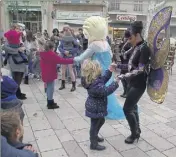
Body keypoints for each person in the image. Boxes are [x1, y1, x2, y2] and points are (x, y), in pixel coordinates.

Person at [74, 16, 125, 120]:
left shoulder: (93, 45)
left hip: (98, 71)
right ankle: (107, 108)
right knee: (106, 90)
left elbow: (82, 57)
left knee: (99, 90)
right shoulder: (106, 43)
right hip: (108, 70)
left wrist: (72, 59)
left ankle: (103, 109)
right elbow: (110, 55)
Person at [117, 21, 151, 144]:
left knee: (127, 109)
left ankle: (134, 133)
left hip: (139, 84)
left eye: (130, 37)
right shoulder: (136, 46)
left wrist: (123, 76)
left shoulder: (144, 48)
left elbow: (140, 69)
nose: (129, 40)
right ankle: (137, 130)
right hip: (132, 82)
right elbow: (129, 64)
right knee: (133, 107)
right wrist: (118, 65)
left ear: (137, 35)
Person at [81, 60, 120, 151]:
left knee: (101, 121)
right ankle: (93, 143)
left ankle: (95, 135)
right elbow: (105, 91)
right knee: (94, 125)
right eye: (99, 68)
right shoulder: (94, 84)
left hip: (96, 106)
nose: (100, 69)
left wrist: (110, 70)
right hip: (95, 107)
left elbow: (103, 79)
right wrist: (115, 83)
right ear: (94, 71)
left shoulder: (92, 79)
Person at [40, 41, 74, 109]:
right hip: (50, 73)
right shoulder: (51, 55)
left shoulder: (43, 54)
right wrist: (73, 60)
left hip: (45, 73)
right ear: (52, 48)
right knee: (50, 88)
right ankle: (50, 103)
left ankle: (50, 100)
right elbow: (62, 61)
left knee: (49, 87)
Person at [119, 30, 133, 98]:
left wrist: (125, 52)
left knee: (127, 78)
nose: (125, 38)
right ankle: (125, 91)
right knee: (122, 78)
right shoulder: (124, 42)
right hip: (123, 62)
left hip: (127, 63)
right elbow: (120, 49)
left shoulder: (131, 43)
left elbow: (132, 52)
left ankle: (127, 93)